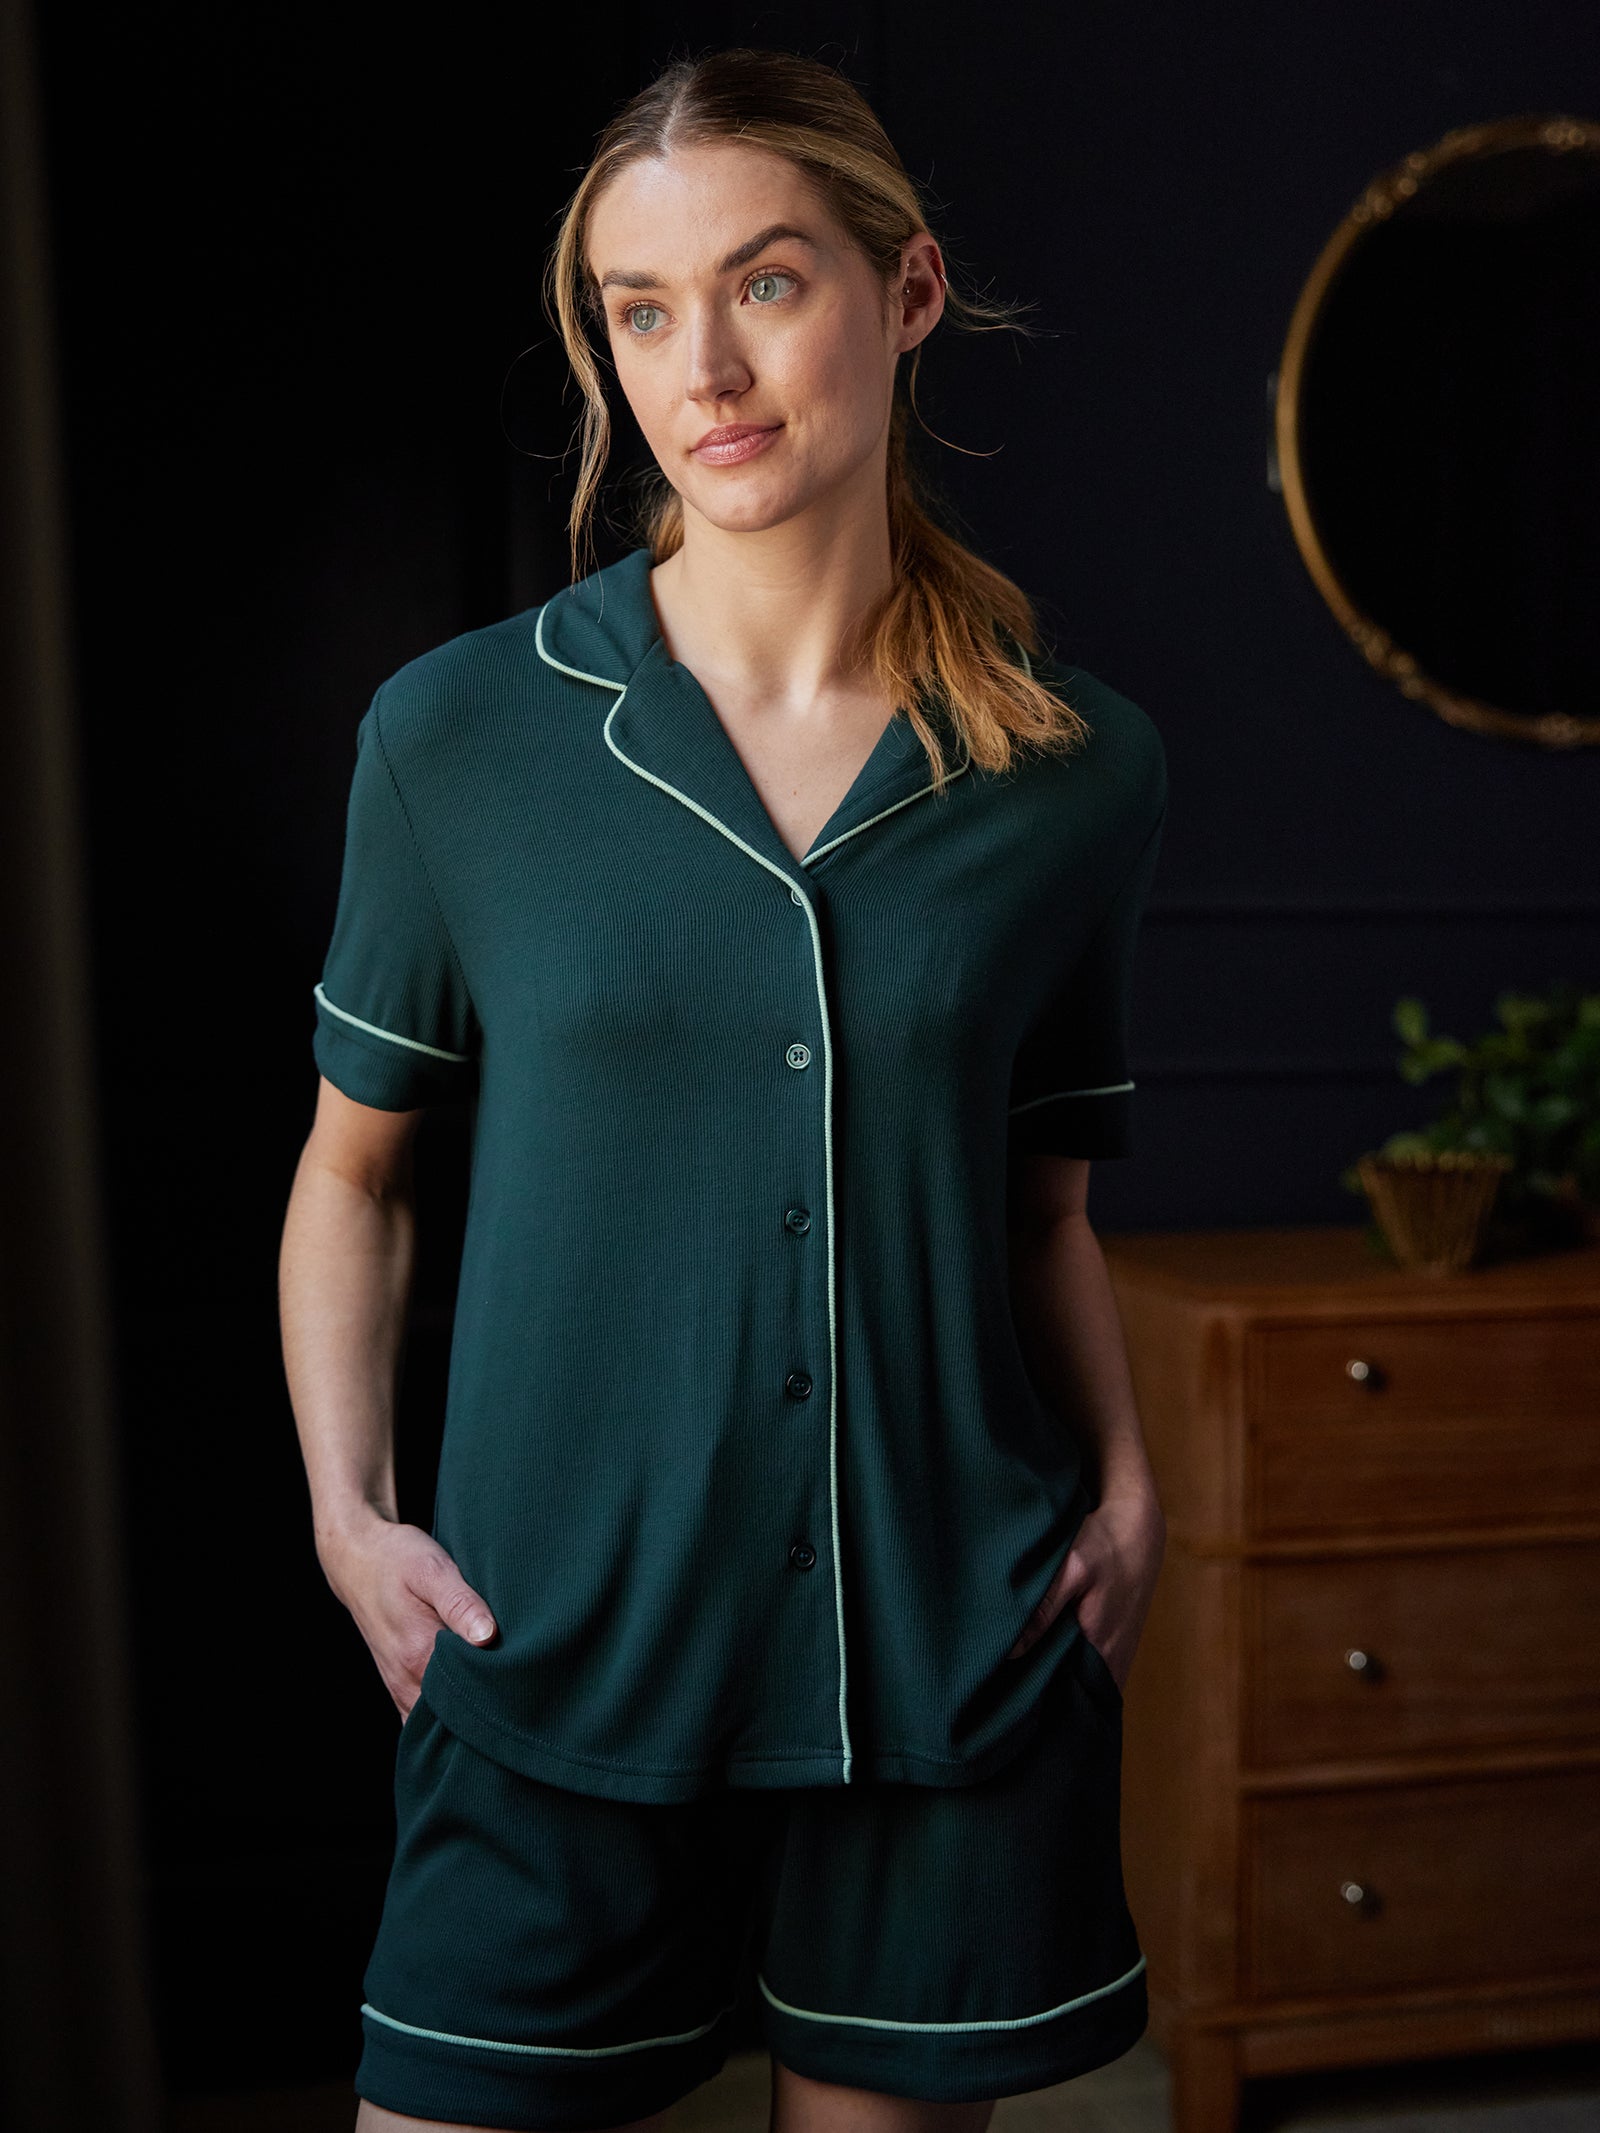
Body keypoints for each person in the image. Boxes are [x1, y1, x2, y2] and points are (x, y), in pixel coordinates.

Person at [279, 43, 1169, 2133]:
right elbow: (353, 1175)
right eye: (641, 308)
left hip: (943, 1666)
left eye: (765, 282)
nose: (707, 365)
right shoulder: (457, 736)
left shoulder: (1070, 767)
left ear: (906, 292)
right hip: (554, 1653)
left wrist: (1126, 1481)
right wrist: (346, 1515)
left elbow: (1038, 1206)